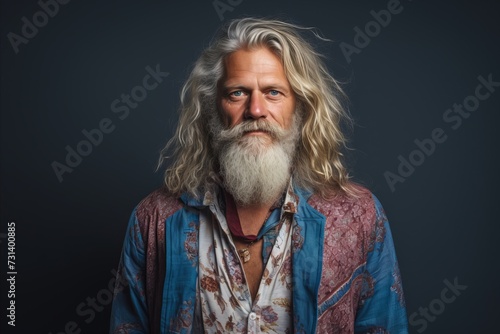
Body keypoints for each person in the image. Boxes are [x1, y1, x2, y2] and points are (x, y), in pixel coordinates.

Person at [109, 17, 408, 334]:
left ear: (300, 107)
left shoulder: (358, 216)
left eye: (273, 92)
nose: (255, 110)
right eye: (237, 93)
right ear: (214, 108)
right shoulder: (154, 218)